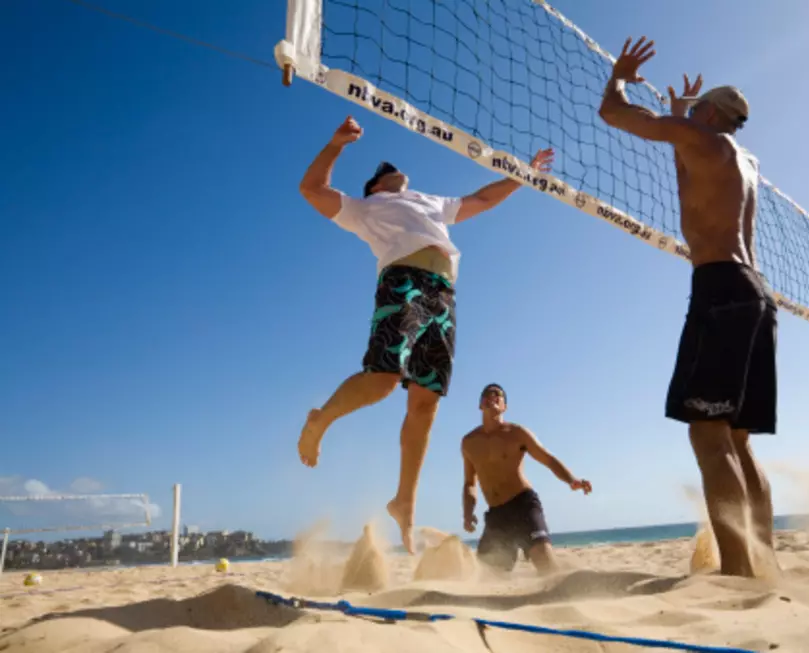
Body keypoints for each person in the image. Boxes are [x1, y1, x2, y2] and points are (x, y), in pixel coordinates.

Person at [296, 115, 554, 554]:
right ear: (374, 188)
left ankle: (405, 501)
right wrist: (336, 144)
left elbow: (483, 199)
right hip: (404, 283)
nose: (389, 167)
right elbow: (312, 190)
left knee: (426, 401)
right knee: (382, 380)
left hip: (444, 296)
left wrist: (524, 175)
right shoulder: (365, 210)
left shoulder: (429, 202)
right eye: (380, 172)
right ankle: (321, 419)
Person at [598, 37, 777, 578]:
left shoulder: (702, 137)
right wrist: (680, 113)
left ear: (712, 113)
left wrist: (619, 74)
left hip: (721, 287)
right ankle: (764, 562)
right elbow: (688, 171)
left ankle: (739, 573)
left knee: (707, 431)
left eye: (699, 110)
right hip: (757, 294)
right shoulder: (742, 159)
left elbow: (613, 113)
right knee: (739, 441)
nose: (693, 115)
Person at [461, 383, 592, 575]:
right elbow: (470, 483)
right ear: (480, 405)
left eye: (498, 395)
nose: (492, 397)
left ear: (504, 406)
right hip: (497, 516)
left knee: (546, 564)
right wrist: (468, 512)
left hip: (523, 505)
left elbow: (547, 458)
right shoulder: (469, 442)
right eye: (487, 395)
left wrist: (572, 480)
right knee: (489, 575)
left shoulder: (517, 433)